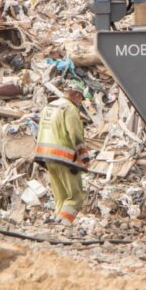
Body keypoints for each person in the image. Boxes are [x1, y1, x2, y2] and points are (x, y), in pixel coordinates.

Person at [33, 78, 91, 224]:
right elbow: (75, 135)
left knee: (61, 196)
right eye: (81, 99)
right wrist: (84, 157)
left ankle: (57, 224)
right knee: (76, 197)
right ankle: (64, 224)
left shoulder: (49, 106)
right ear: (77, 95)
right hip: (64, 158)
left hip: (46, 156)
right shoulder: (69, 108)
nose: (80, 102)